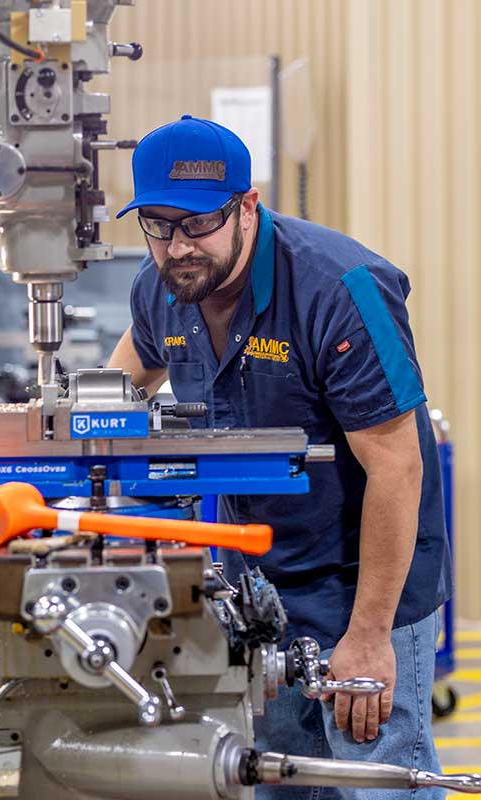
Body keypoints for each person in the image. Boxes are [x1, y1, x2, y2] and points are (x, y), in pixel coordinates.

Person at [109, 114, 452, 800]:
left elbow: (399, 466)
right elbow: (115, 396)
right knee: (279, 782)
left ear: (247, 206)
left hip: (361, 588)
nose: (178, 247)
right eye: (157, 225)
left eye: (198, 223)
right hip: (260, 593)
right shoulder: (163, 288)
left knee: (377, 784)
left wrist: (369, 635)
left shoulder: (340, 289)